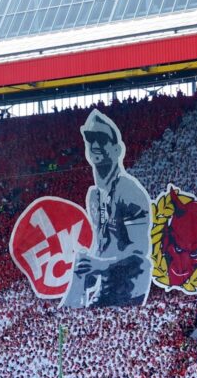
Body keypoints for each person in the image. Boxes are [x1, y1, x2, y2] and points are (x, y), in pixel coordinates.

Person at [63, 110, 153, 308]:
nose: (95, 145)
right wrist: (88, 264)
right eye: (90, 140)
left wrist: (102, 265)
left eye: (101, 139)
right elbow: (103, 243)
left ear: (117, 150)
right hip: (105, 284)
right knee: (78, 277)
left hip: (129, 286)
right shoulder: (94, 196)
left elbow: (139, 252)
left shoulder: (129, 192)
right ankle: (68, 310)